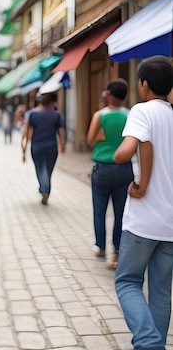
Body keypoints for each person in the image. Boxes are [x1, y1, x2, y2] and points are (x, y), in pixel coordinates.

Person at [113, 55, 173, 350]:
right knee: (161, 292)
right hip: (171, 224)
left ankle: (148, 341)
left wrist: (138, 182)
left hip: (143, 220)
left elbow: (125, 153)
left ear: (144, 84)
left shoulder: (141, 111)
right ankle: (156, 344)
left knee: (127, 282)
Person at [86, 79, 133, 269]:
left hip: (102, 169)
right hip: (124, 169)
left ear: (110, 95)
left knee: (100, 210)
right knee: (120, 213)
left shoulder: (100, 115)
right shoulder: (130, 115)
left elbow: (90, 140)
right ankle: (117, 250)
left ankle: (100, 246)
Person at [22, 93, 65, 204]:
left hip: (37, 146)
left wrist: (24, 146)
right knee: (48, 171)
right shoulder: (56, 115)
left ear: (40, 102)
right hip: (52, 147)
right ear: (51, 103)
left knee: (40, 169)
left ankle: (44, 189)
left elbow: (27, 132)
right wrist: (62, 142)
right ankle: (45, 188)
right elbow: (60, 130)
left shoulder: (33, 114)